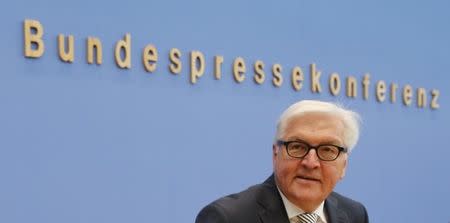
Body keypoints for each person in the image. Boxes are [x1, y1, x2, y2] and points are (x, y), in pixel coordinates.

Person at [195, 100, 369, 223]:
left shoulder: (354, 214)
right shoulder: (227, 218)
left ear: (344, 165)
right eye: (297, 147)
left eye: (327, 150)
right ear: (275, 154)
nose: (310, 162)